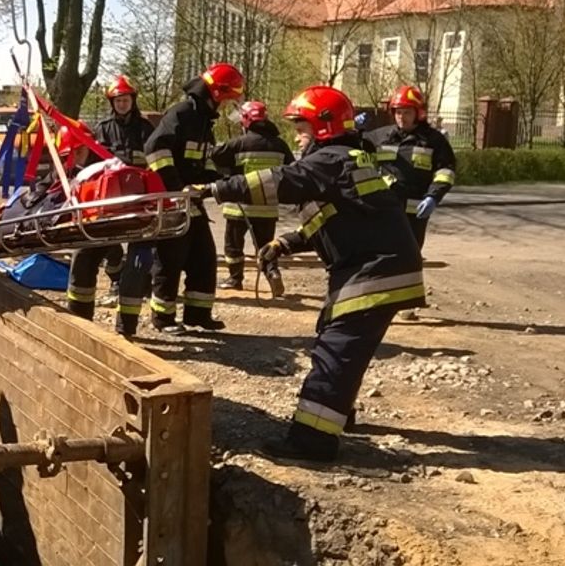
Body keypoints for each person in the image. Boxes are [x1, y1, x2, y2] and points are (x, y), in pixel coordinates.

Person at [192, 85, 424, 460]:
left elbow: (277, 181)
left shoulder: (330, 160)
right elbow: (335, 219)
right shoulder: (345, 159)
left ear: (325, 126)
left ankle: (312, 443)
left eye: (302, 128)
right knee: (336, 339)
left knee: (337, 350)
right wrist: (284, 243)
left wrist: (215, 189)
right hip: (377, 267)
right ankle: (338, 414)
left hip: (375, 271)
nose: (296, 136)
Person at [143, 63, 243, 334]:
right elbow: (154, 149)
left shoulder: (203, 122)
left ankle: (198, 315)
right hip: (172, 200)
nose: (225, 107)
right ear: (215, 93)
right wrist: (176, 188)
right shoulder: (182, 114)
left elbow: (202, 161)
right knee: (170, 258)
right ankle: (163, 319)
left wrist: (212, 184)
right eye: (225, 100)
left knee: (204, 257)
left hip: (192, 201)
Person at [65, 75, 155, 336]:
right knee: (86, 254)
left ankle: (125, 328)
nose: (122, 104)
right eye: (118, 101)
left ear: (133, 101)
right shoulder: (103, 129)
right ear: (112, 103)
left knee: (138, 262)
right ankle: (79, 321)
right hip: (106, 203)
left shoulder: (145, 130)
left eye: (125, 100)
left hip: (139, 202)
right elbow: (89, 167)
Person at [211, 101, 294, 295]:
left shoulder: (238, 143)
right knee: (266, 246)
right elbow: (292, 170)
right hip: (267, 207)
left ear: (246, 120)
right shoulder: (280, 145)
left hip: (239, 207)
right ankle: (272, 272)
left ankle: (235, 279)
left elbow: (214, 158)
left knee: (233, 246)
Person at [365, 86, 457, 249]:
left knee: (409, 254)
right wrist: (352, 129)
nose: (401, 117)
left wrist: (433, 197)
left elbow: (446, 171)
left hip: (415, 211)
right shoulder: (381, 136)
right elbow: (352, 148)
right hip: (385, 207)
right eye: (398, 112)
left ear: (419, 113)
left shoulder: (434, 140)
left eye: (407, 112)